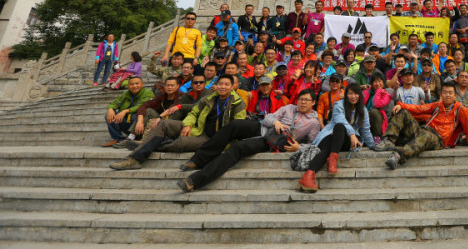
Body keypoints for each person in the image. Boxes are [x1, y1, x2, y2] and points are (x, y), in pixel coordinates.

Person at [178, 88, 320, 192]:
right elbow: (269, 116)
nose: (303, 102)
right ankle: (198, 159)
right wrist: (276, 122)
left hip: (271, 142)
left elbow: (313, 145)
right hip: (263, 128)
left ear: (313, 102)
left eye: (307, 100)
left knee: (238, 147)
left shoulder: (313, 123)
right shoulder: (289, 108)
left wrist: (298, 148)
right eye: (301, 99)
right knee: (234, 125)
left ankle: (195, 180)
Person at [109, 74, 247, 170]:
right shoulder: (210, 98)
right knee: (165, 124)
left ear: (232, 86)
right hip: (199, 129)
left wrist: (225, 143)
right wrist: (187, 124)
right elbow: (194, 112)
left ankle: (147, 145)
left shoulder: (237, 103)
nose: (223, 86)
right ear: (216, 85)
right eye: (220, 84)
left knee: (181, 142)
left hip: (212, 138)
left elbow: (238, 126)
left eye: (226, 84)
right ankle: (134, 159)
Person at [374, 81, 468, 169]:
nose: (447, 95)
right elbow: (419, 108)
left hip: (438, 139)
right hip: (424, 130)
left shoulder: (460, 109)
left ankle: (398, 156)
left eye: (450, 93)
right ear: (441, 94)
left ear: (455, 95)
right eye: (445, 92)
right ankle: (389, 141)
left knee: (426, 136)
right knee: (404, 112)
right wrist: (401, 105)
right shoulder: (437, 105)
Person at [298, 85, 374, 191]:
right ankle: (328, 162)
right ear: (346, 95)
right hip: (330, 136)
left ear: (360, 96)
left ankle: (309, 175)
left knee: (335, 137)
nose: (353, 96)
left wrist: (373, 146)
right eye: (350, 93)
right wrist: (352, 134)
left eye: (356, 93)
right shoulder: (338, 105)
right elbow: (340, 120)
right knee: (338, 128)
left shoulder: (363, 110)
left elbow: (365, 130)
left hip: (346, 142)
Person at [103, 77, 155, 147]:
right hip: (128, 122)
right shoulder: (126, 93)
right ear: (128, 86)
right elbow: (114, 103)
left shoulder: (148, 93)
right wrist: (110, 109)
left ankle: (134, 139)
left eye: (137, 83)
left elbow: (142, 106)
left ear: (142, 84)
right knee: (109, 115)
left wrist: (125, 111)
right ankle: (118, 139)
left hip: (141, 124)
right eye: (131, 84)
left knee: (136, 115)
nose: (134, 86)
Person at [364, 73, 393, 138]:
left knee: (374, 112)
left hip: (385, 118)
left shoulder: (389, 91)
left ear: (383, 82)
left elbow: (376, 105)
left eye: (379, 81)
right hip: (368, 120)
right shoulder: (367, 93)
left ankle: (378, 136)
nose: (377, 84)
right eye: (375, 81)